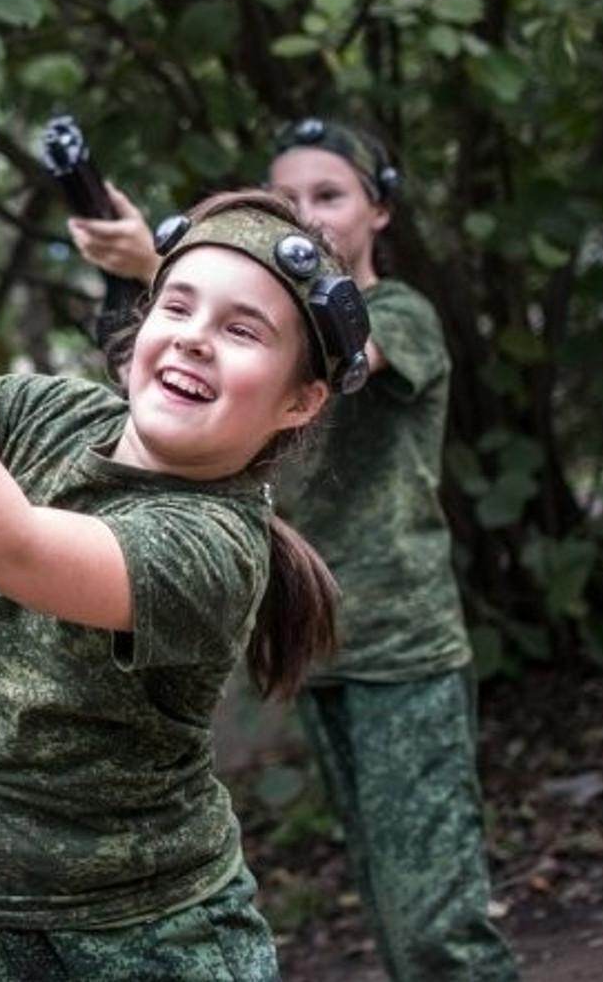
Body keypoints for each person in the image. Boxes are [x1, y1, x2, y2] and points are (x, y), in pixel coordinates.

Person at [0, 182, 359, 979]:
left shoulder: (215, 543)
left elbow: (1, 545)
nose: (194, 339)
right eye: (177, 306)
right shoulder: (48, 412)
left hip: (139, 942)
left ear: (301, 400)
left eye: (242, 329)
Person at [70, 117, 520, 981]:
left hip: (404, 649)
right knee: (398, 908)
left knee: (438, 925)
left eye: (331, 195)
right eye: (289, 199)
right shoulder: (257, 335)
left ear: (379, 210)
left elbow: (349, 357)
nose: (310, 213)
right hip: (321, 651)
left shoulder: (399, 313)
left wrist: (150, 266)